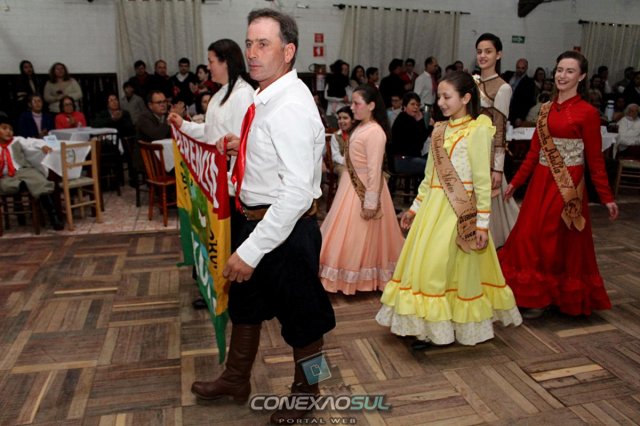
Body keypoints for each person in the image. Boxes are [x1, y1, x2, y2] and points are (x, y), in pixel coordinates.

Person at [188, 10, 335, 425]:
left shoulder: (289, 107)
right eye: (249, 43)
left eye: (263, 44)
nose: (252, 53)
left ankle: (309, 392)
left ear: (288, 52)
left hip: (285, 231)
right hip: (258, 221)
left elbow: (296, 193)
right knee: (246, 305)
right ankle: (236, 379)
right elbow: (278, 158)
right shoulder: (267, 95)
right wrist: (246, 147)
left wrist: (251, 251)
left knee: (306, 321)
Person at [376, 71, 522, 348]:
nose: (441, 102)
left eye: (447, 97)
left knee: (446, 267)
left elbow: (481, 181)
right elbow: (429, 176)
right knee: (427, 266)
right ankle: (427, 326)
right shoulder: (439, 130)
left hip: (459, 211)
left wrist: (482, 223)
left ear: (465, 98)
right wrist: (414, 208)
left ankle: (443, 326)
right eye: (439, 97)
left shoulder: (478, 130)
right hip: (433, 210)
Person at [499, 51, 619, 319]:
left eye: (570, 71)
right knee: (527, 236)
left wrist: (606, 197)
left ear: (582, 76)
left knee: (552, 239)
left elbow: (595, 160)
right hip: (540, 182)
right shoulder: (545, 109)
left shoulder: (588, 113)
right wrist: (516, 182)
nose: (562, 76)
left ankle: (546, 297)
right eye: (560, 70)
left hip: (568, 185)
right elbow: (533, 153)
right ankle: (533, 293)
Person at [319, 84, 404, 295]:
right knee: (348, 232)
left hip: (365, 189)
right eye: (352, 103)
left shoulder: (375, 132)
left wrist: (370, 202)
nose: (352, 107)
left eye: (357, 103)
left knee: (362, 235)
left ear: (371, 105)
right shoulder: (361, 127)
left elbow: (375, 170)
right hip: (350, 186)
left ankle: (360, 277)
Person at [475, 33, 520, 248]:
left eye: (488, 51)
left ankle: (489, 247)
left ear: (498, 55)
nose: (482, 56)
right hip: (468, 148)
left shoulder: (503, 87)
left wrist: (498, 168)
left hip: (487, 153)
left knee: (489, 206)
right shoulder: (472, 82)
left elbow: (500, 129)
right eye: (479, 51)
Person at [0, 115, 64, 230]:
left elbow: (32, 142)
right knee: (7, 186)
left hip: (24, 170)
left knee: (40, 182)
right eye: (4, 128)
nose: (8, 132)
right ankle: (21, 204)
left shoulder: (17, 140)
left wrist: (43, 145)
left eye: (10, 129)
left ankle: (54, 217)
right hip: (6, 176)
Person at [389, 91, 428, 174]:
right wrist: (420, 121)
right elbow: (418, 144)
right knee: (432, 166)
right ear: (405, 106)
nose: (416, 107)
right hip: (402, 160)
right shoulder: (404, 119)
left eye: (418, 105)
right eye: (412, 104)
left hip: (407, 159)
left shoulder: (409, 118)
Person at [503, 58, 536, 127]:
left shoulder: (529, 83)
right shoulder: (508, 75)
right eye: (518, 67)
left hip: (515, 112)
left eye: (522, 68)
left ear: (526, 68)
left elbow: (527, 102)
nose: (520, 70)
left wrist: (520, 117)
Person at [328, 105, 354, 177]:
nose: (341, 121)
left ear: (353, 120)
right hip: (340, 164)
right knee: (345, 172)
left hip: (356, 163)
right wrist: (347, 162)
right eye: (339, 118)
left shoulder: (357, 134)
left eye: (345, 118)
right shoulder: (336, 136)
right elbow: (336, 156)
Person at [324, 59, 351, 127]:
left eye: (347, 69)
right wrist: (341, 99)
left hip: (344, 111)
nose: (346, 71)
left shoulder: (347, 81)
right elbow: (326, 96)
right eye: (343, 69)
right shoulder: (331, 80)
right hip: (332, 112)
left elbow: (349, 96)